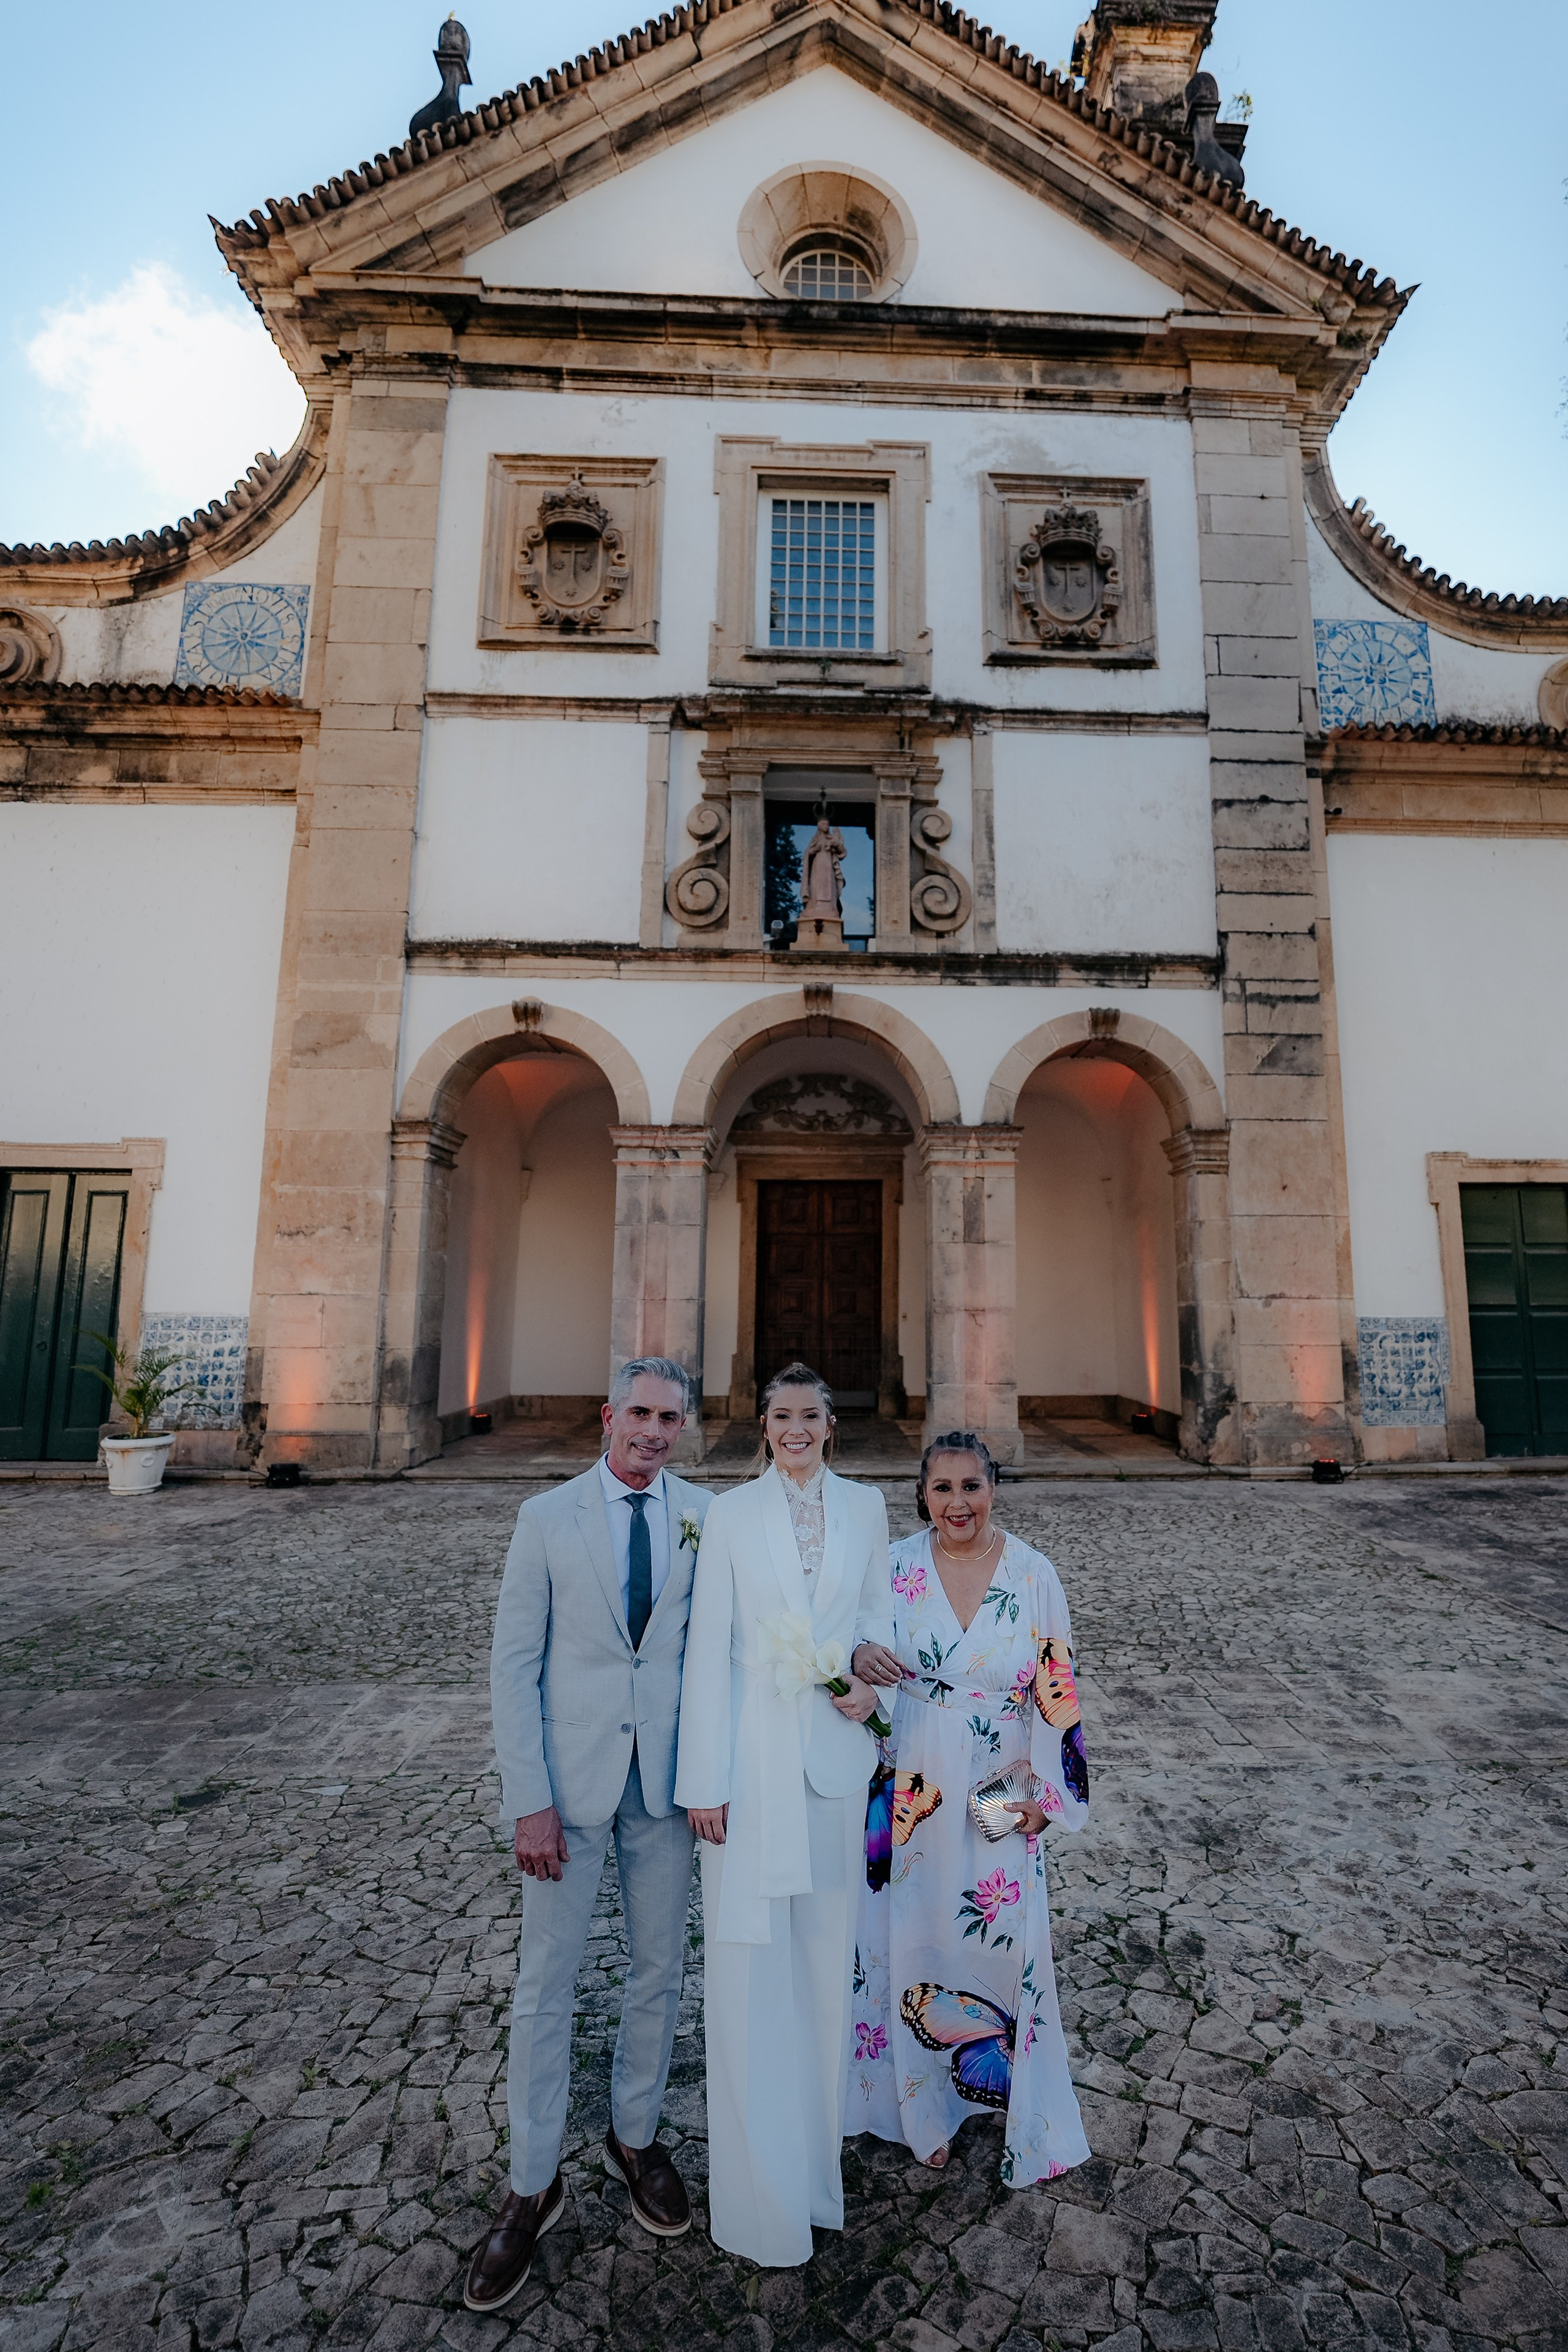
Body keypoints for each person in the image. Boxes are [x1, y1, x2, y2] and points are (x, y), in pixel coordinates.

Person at [465, 1359, 714, 2315]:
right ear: (610, 1417)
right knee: (546, 1983)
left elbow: (719, 1649)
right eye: (640, 1414)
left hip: (665, 1790)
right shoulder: (546, 1519)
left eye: (670, 1419)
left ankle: (634, 2137)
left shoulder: (706, 1516)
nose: (653, 1432)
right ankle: (532, 2182)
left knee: (658, 1970)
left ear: (683, 1428)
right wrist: (528, 1800)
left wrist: (712, 1777)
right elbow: (512, 1667)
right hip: (566, 1794)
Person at [674, 1363, 894, 2267]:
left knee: (819, 1960)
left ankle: (814, 2159)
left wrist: (867, 1689)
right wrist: (703, 1783)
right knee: (746, 1970)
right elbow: (707, 1653)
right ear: (763, 1428)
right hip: (749, 1768)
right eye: (781, 1417)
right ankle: (755, 2186)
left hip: (833, 1767)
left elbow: (878, 1614)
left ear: (830, 1427)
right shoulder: (728, 1517)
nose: (795, 1429)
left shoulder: (870, 1508)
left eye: (810, 1416)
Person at [847, 1432, 1090, 2187]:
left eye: (972, 1487)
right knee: (910, 1944)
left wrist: (1048, 1799)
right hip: (912, 1776)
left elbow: (1057, 1681)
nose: (958, 1503)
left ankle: (1006, 2096)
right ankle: (919, 2110)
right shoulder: (890, 1568)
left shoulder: (1032, 1572)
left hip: (999, 1778)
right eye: (943, 1488)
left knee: (999, 1937)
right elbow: (857, 1649)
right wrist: (858, 1659)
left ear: (994, 1489)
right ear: (922, 1494)